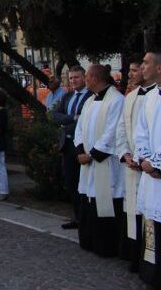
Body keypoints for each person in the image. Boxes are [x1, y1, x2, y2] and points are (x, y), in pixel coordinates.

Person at [74, 64, 125, 257]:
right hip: (88, 163)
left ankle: (107, 246)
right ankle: (89, 240)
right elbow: (79, 129)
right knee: (89, 199)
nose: (85, 79)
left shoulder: (116, 100)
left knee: (106, 201)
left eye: (86, 76)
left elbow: (113, 132)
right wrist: (80, 150)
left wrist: (93, 154)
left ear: (95, 78)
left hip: (105, 163)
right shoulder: (89, 101)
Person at [117, 53, 158, 273]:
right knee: (135, 213)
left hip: (153, 168)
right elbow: (122, 129)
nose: (132, 74)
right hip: (134, 165)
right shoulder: (131, 97)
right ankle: (137, 259)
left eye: (136, 69)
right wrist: (126, 154)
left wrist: (148, 160)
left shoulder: (156, 96)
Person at [50, 65, 91, 229]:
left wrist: (67, 122)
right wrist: (72, 118)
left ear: (84, 77)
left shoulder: (90, 97)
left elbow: (83, 122)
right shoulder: (67, 96)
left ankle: (86, 219)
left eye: (77, 77)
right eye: (71, 78)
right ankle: (77, 217)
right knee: (71, 182)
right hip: (66, 145)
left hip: (83, 146)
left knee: (85, 184)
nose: (73, 81)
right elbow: (54, 115)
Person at [134, 51, 161, 286]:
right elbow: (141, 131)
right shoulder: (151, 97)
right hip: (151, 174)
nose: (142, 66)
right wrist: (144, 157)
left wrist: (157, 163)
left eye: (145, 62)